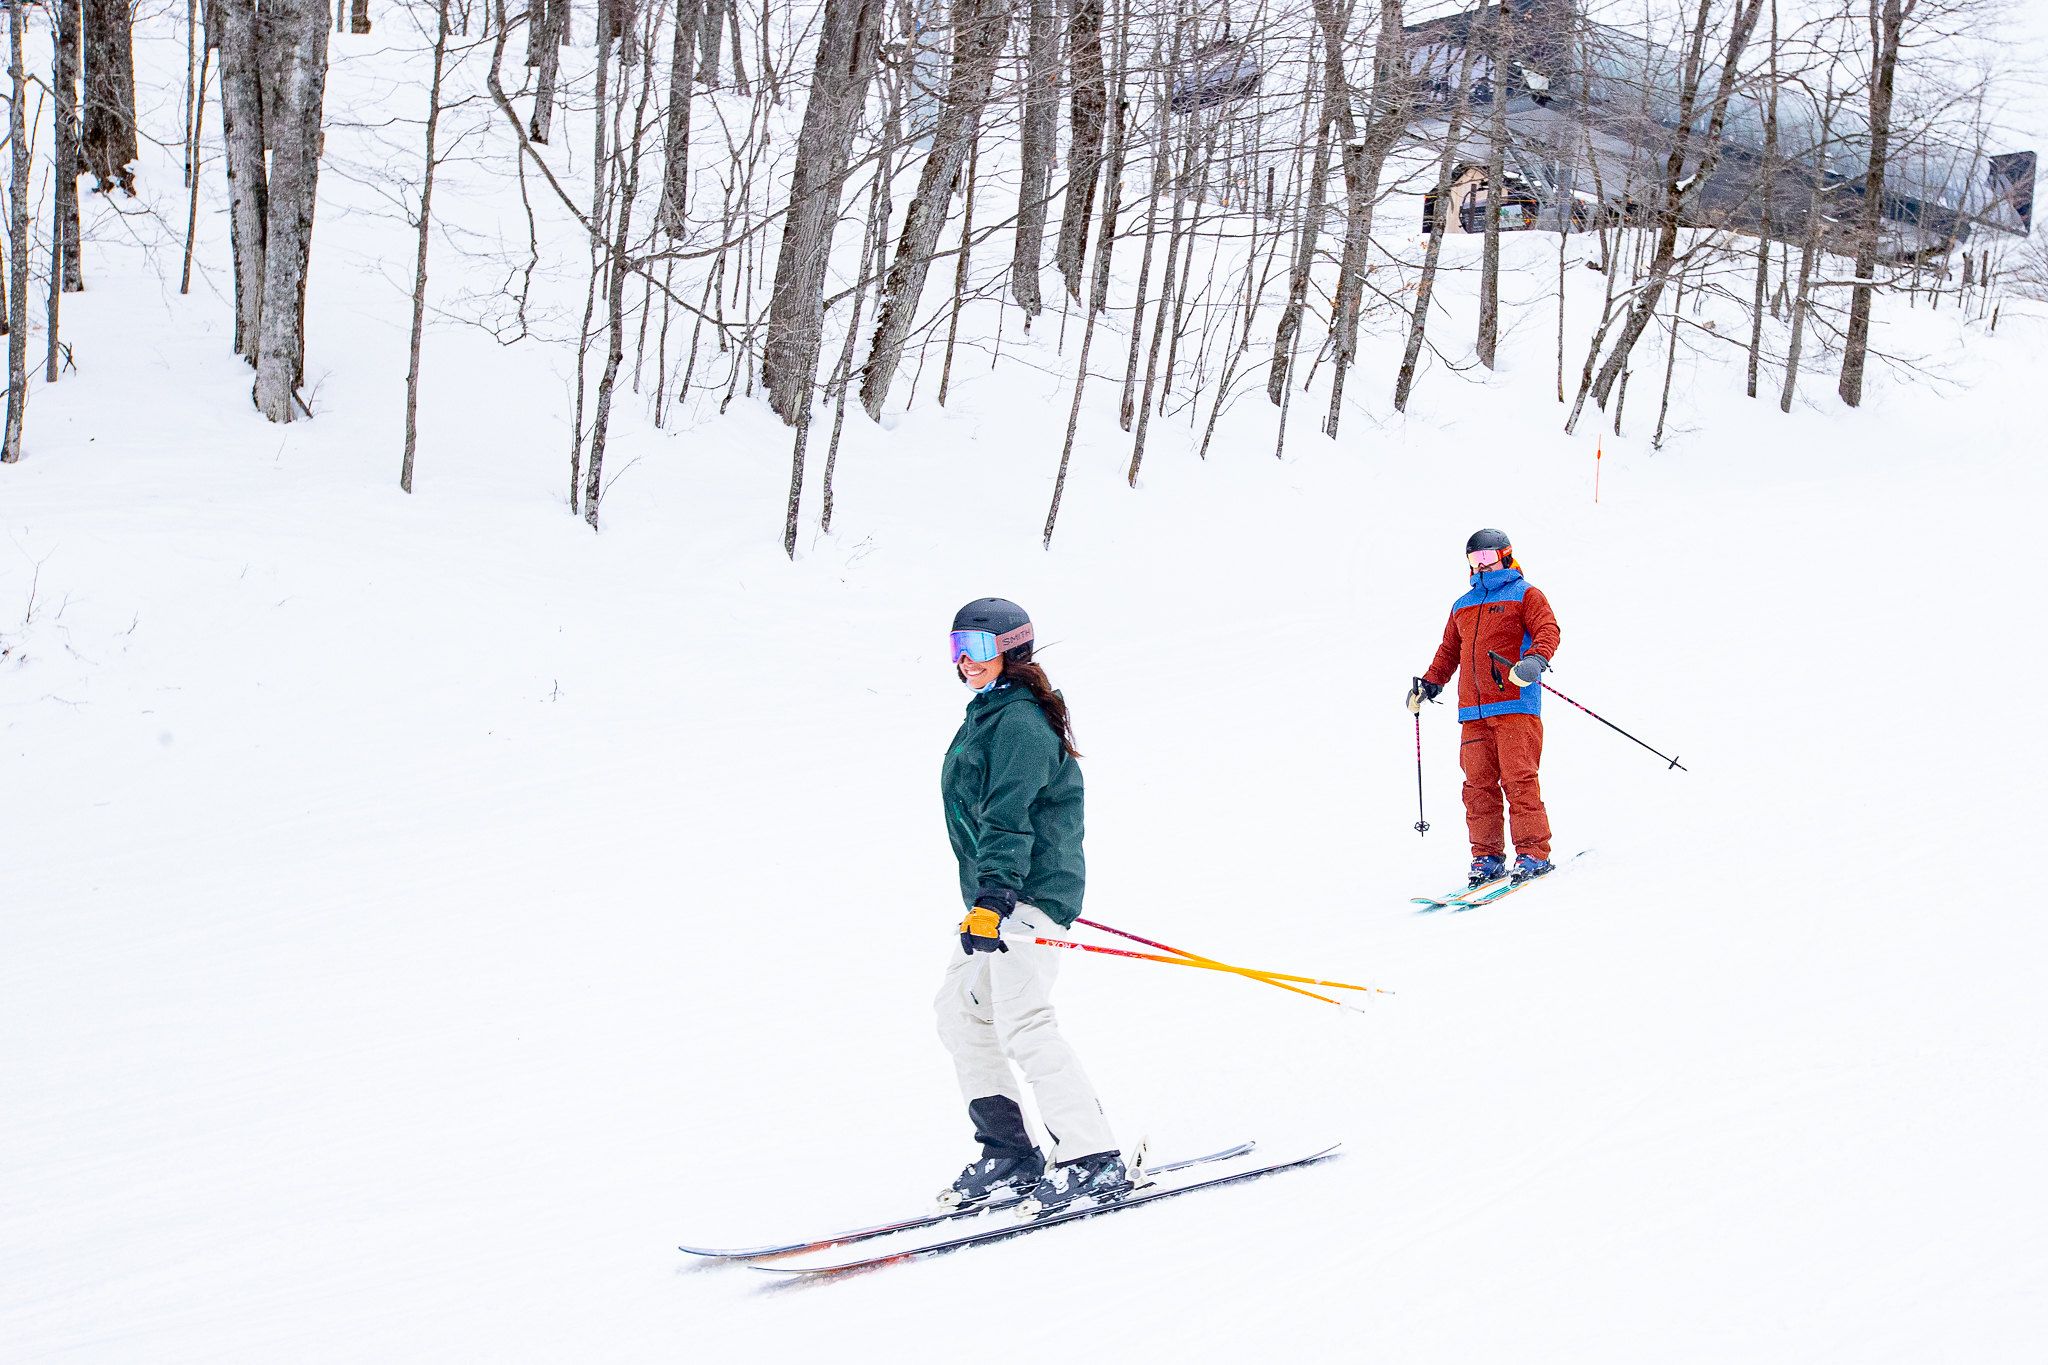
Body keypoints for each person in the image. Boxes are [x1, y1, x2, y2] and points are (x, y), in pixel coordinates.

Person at [936, 598, 1127, 1214]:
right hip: (998, 897)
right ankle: (1010, 1152)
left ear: (1013, 651)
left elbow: (1008, 816)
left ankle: (1092, 1157)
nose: (967, 661)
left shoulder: (1017, 724)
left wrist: (995, 894)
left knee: (1024, 1021)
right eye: (958, 647)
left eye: (981, 649)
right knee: (960, 1012)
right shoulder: (990, 715)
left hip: (1024, 896)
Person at [1407, 529, 1562, 886]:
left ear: (1506, 555)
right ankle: (1487, 857)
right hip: (1473, 713)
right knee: (1477, 787)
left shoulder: (1525, 594)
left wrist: (1535, 661)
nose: (1480, 565)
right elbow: (1449, 651)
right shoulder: (1462, 604)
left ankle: (1533, 853)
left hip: (1514, 704)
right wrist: (1431, 683)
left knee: (1518, 780)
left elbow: (1548, 630)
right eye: (1474, 559)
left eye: (1487, 557)